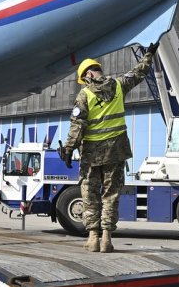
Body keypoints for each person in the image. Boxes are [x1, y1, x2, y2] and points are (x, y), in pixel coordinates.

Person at [59, 42, 158, 252]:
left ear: (86, 76)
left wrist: (68, 149)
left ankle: (93, 238)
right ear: (98, 71)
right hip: (116, 151)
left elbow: (77, 125)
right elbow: (139, 72)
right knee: (111, 195)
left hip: (91, 155)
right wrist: (148, 55)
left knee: (89, 194)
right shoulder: (119, 85)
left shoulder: (84, 95)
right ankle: (107, 239)